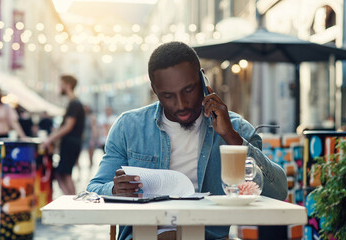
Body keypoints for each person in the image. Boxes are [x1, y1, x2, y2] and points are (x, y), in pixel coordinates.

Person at [87, 42, 288, 240]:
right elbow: (93, 191)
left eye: (188, 90)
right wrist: (114, 190)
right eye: (168, 96)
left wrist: (231, 137)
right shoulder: (128, 127)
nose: (181, 104)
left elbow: (277, 192)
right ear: (154, 90)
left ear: (202, 79)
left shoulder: (235, 128)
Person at [43, 75, 85, 195]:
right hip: (70, 143)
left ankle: (72, 202)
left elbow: (68, 126)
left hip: (71, 143)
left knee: (64, 174)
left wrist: (50, 139)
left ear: (68, 85)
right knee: (61, 174)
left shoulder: (74, 103)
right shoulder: (73, 103)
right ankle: (69, 200)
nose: (59, 87)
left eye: (61, 84)